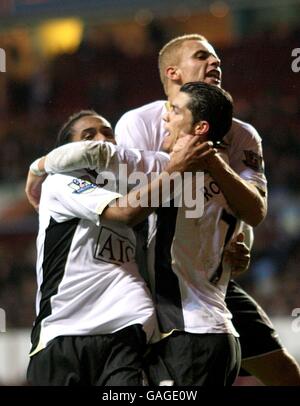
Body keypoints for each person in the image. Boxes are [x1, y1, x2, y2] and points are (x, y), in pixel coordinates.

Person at [27, 82, 246, 386]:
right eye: (89, 136)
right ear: (70, 150)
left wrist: (231, 248)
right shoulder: (62, 181)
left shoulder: (137, 182)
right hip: (65, 331)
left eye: (108, 132)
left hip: (127, 331)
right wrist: (39, 166)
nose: (103, 139)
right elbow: (125, 212)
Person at [114, 34, 300, 385]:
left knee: (284, 373)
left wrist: (240, 238)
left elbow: (253, 211)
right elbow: (130, 210)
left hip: (210, 280)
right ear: (173, 73)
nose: (215, 62)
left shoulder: (243, 135)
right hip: (154, 282)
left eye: (217, 58)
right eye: (202, 56)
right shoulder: (139, 124)